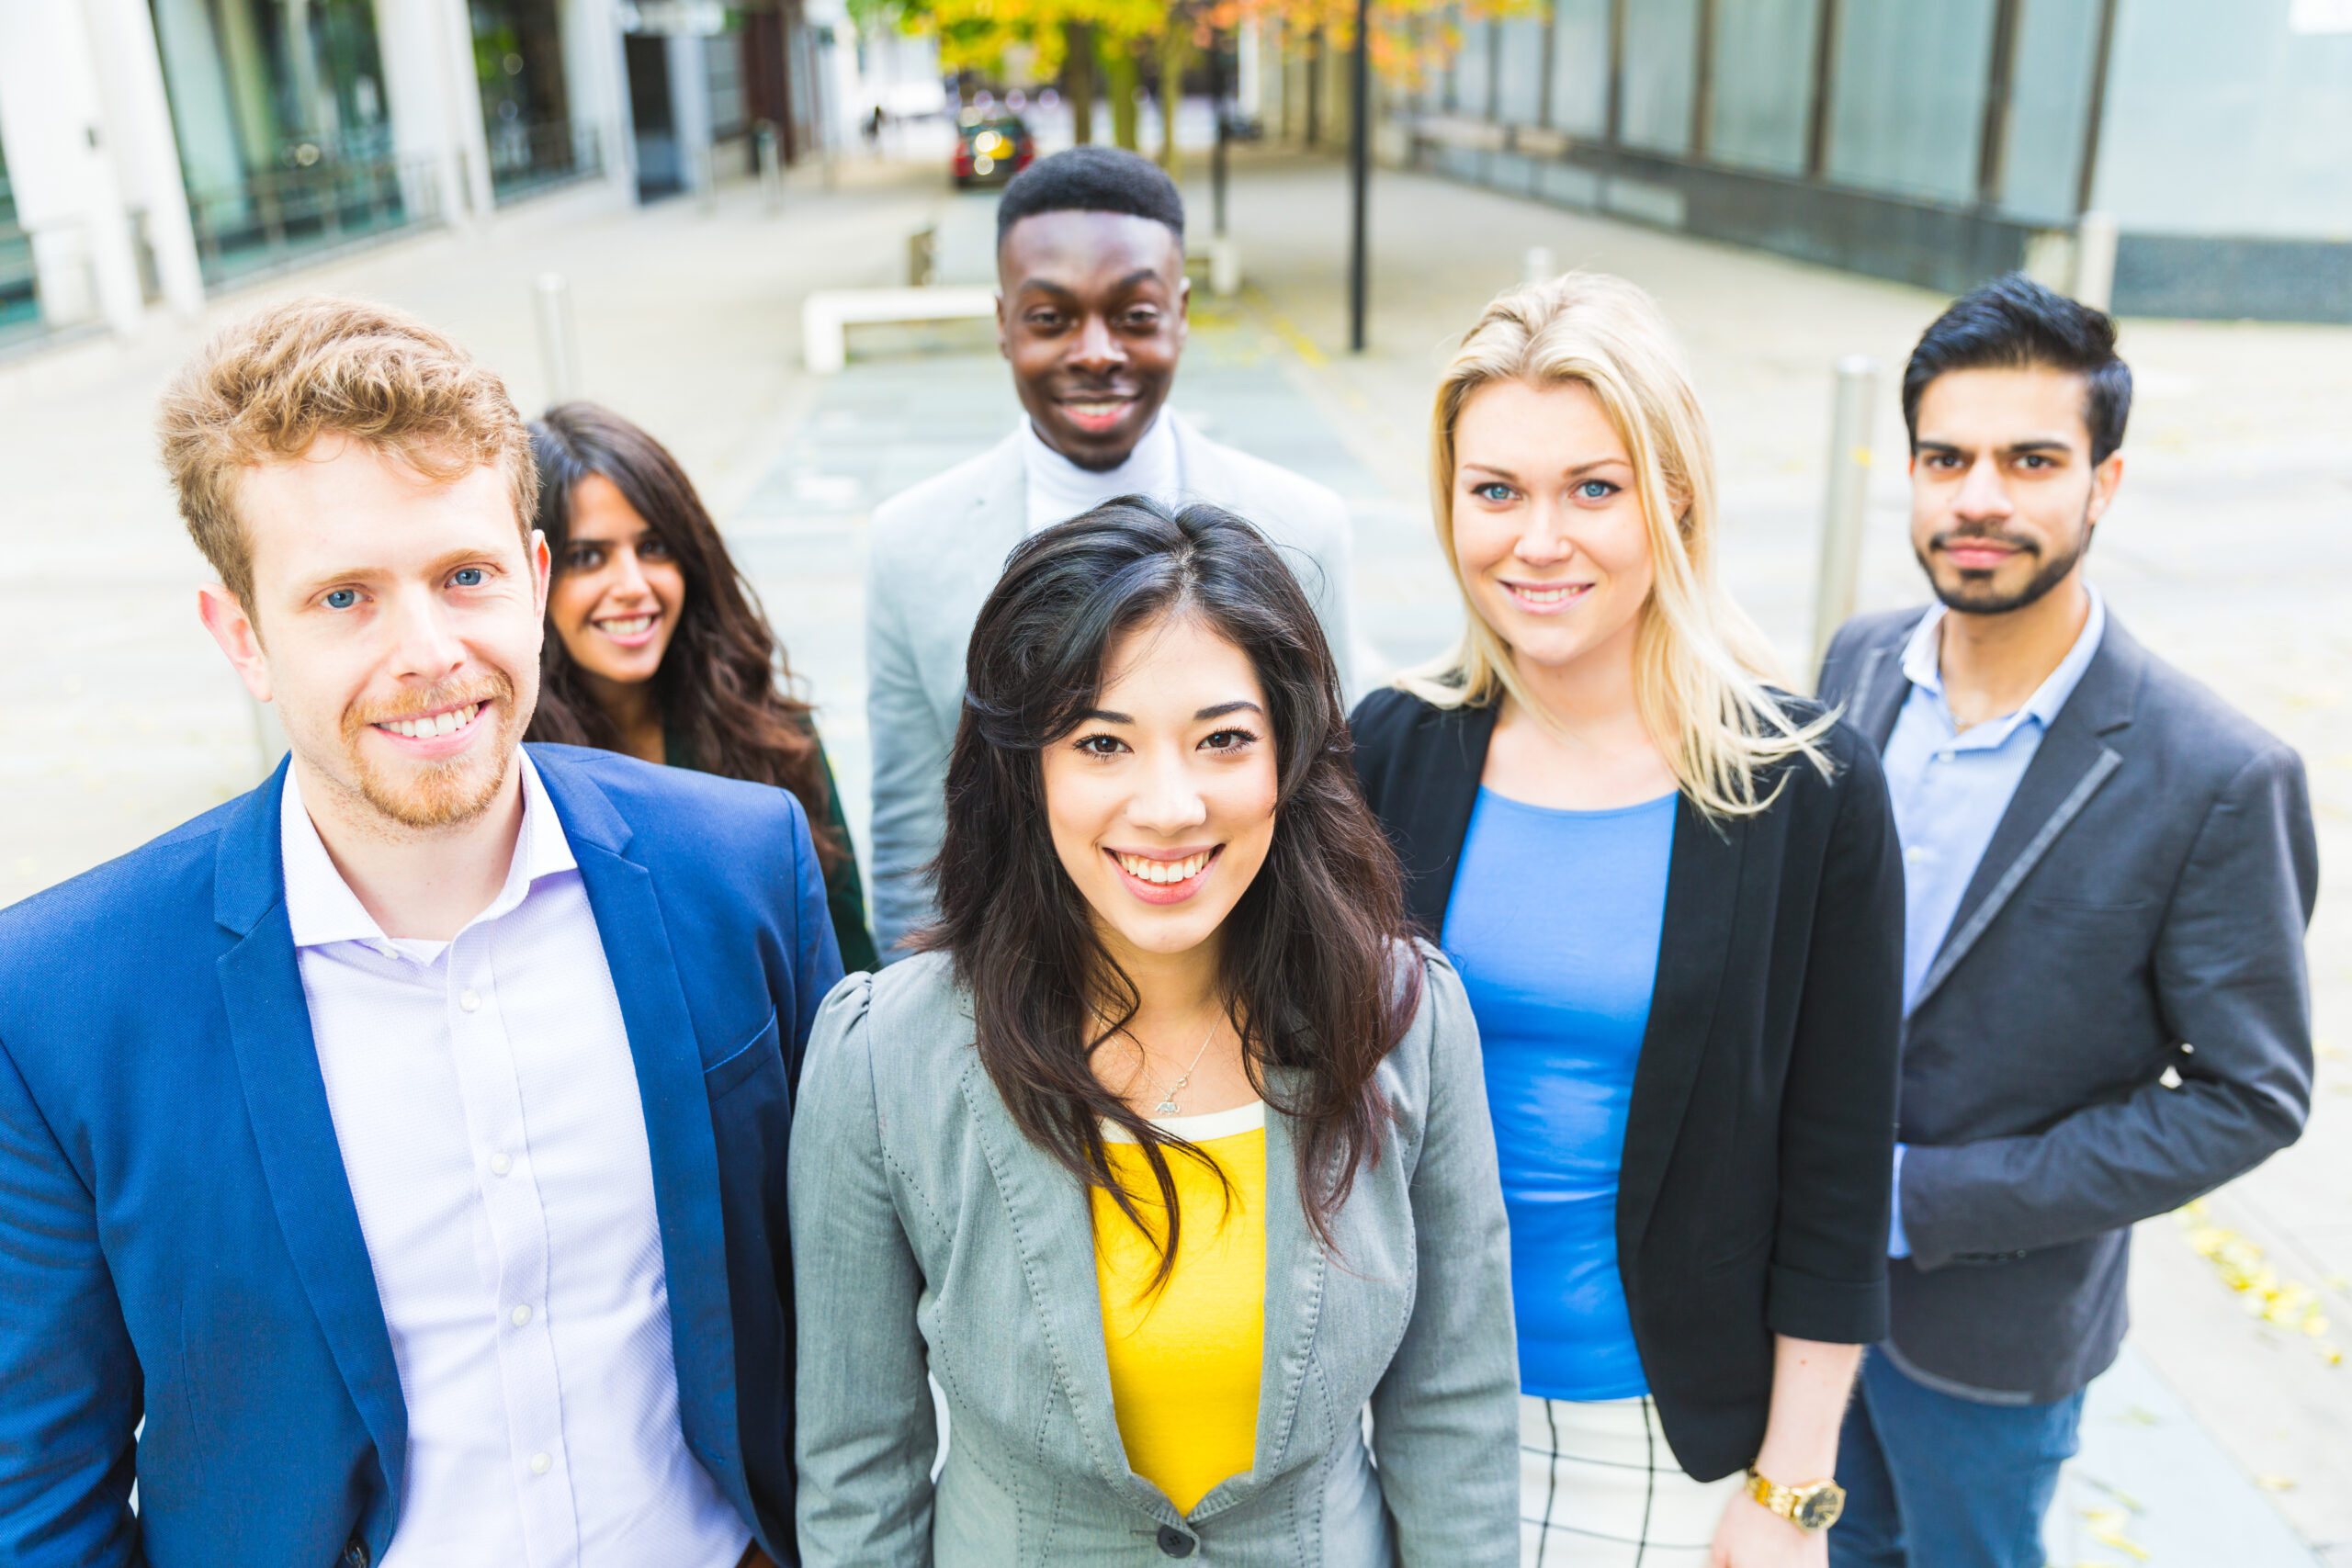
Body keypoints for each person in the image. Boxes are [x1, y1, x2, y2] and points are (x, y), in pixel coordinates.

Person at [0, 299, 838, 1567]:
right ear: (244, 637)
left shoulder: (740, 866)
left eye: (465, 576)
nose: (430, 652)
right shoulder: (61, 1004)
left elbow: (848, 1307)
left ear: (535, 581)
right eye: (344, 596)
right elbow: (39, 1497)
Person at [793, 502, 1518, 1565]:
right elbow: (858, 1464)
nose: (1169, 806)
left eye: (1223, 740)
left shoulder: (1402, 1020)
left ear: (1290, 757)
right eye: (1102, 743)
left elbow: (1454, 1414)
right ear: (1025, 768)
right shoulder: (882, 1058)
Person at [1351, 273, 1905, 1567]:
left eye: (1593, 489)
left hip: (1656, 1438)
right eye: (1496, 491)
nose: (1538, 540)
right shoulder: (1388, 748)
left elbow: (1839, 1163)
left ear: (1676, 500)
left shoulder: (1805, 788)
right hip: (1396, 1407)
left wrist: (1795, 1487)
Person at [1815, 275, 2317, 1567]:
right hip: (1799, 1283)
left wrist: (1923, 1199)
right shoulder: (1856, 663)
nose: (1978, 497)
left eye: (2031, 460)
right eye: (1947, 458)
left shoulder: (2217, 774)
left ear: (2104, 483)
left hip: (1993, 1332)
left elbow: (2249, 1096)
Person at [865, 145, 1358, 959]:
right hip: (1010, 995)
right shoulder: (910, 543)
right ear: (1002, 323)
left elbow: (1329, 806)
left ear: (1181, 313)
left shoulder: (1303, 529)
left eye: (1133, 315)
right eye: (1050, 318)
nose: (1096, 351)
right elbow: (912, 842)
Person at [524, 400, 879, 972]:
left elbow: (845, 956)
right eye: (587, 557)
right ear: (533, 575)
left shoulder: (769, 731)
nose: (632, 585)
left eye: (653, 548)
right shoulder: (511, 769)